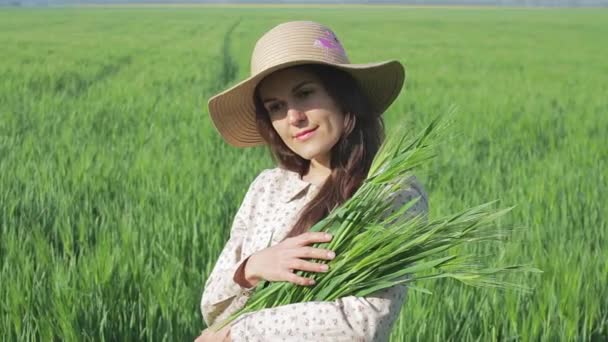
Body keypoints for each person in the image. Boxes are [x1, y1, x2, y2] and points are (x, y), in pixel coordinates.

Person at [195, 21, 428, 342]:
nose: (293, 118)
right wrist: (251, 267)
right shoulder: (267, 187)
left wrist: (238, 332)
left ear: (342, 96)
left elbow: (364, 323)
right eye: (275, 107)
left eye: (304, 94)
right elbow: (211, 306)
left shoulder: (390, 191)